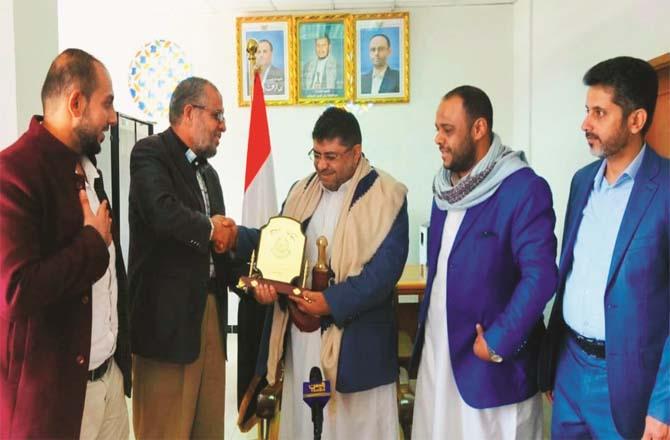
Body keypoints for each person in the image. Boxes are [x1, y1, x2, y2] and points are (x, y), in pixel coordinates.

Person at [235, 107, 409, 439]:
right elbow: (276, 245)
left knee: (355, 428)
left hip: (358, 346)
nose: (320, 165)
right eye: (315, 154)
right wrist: (244, 249)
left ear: (356, 153)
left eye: (331, 156)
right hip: (303, 338)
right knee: (307, 425)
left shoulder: (387, 196)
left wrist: (331, 302)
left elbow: (382, 276)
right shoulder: (302, 190)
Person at [411, 85, 558, 439]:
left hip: (490, 367)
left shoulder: (523, 188)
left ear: (479, 129)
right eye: (437, 128)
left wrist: (498, 339)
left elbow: (540, 277)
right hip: (440, 359)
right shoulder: (443, 191)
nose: (437, 139)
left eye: (448, 130)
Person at [0, 48, 131, 439]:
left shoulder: (88, 166)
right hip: (56, 402)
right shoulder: (13, 174)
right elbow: (14, 290)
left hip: (108, 383)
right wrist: (91, 245)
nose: (113, 117)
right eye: (106, 104)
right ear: (76, 102)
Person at [539, 56, 669, 439]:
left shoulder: (664, 190)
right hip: (569, 369)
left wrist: (664, 405)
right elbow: (570, 277)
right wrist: (552, 364)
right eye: (586, 111)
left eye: (599, 112)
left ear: (636, 120)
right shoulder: (582, 183)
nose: (585, 124)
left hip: (629, 384)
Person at [128, 76, 238, 438]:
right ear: (189, 113)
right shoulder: (149, 154)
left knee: (208, 431)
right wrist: (211, 229)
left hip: (209, 318)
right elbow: (162, 212)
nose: (223, 126)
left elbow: (218, 247)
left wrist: (252, 280)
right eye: (217, 115)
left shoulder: (209, 174)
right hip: (166, 327)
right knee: (164, 431)